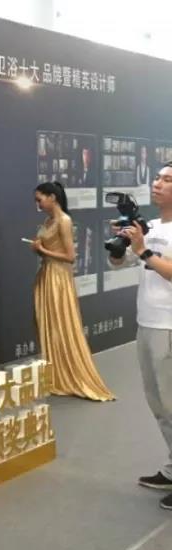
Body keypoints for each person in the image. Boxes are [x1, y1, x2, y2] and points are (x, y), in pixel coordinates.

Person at [112, 163, 172, 512]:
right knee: (159, 404)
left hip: (168, 326)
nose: (158, 183)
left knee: (171, 404)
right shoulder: (149, 227)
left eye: (167, 179)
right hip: (146, 322)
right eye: (158, 177)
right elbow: (119, 264)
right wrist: (121, 246)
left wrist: (142, 250)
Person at [32, 181, 115, 401]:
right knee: (50, 325)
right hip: (47, 275)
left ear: (52, 197)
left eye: (40, 199)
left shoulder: (64, 221)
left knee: (61, 323)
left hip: (59, 279)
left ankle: (68, 373)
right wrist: (40, 250)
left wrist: (43, 250)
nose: (38, 205)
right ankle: (55, 374)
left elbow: (70, 257)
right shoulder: (48, 221)